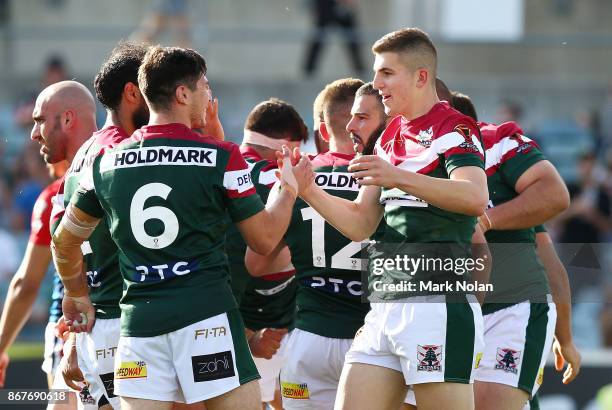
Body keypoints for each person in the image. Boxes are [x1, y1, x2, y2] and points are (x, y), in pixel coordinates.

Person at [52, 45, 308, 409]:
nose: (209, 95)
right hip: (208, 322)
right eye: (204, 86)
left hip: (139, 331)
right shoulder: (221, 155)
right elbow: (265, 240)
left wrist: (77, 293)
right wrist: (287, 188)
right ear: (183, 94)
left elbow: (63, 242)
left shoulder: (105, 162)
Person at [286, 28, 488, 410]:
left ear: (421, 76)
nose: (376, 84)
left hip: (437, 305)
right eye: (376, 73)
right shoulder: (390, 134)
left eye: (386, 73)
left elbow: (475, 197)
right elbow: (362, 223)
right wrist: (309, 190)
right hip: (384, 305)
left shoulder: (455, 127)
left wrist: (397, 177)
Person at [247, 78, 372, 410]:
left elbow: (257, 264)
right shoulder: (385, 177)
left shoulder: (295, 176)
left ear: (322, 131)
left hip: (308, 341)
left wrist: (303, 251)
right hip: (372, 342)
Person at [449, 91, 579, 409]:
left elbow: (551, 266)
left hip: (503, 321)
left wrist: (566, 338)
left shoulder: (508, 190)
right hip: (443, 322)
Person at [50, 41, 150, 410]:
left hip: (97, 325)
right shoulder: (124, 155)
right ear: (133, 93)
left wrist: (76, 324)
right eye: (157, 92)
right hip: (124, 323)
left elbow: (65, 240)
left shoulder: (85, 154)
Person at [226, 98, 308, 410]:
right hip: (268, 332)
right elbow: (259, 263)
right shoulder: (279, 177)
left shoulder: (216, 166)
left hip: (199, 323)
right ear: (284, 148)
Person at [0, 161, 67, 389]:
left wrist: (0, 348)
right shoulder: (119, 178)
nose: (36, 135)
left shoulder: (55, 198)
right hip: (130, 327)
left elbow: (27, 283)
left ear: (68, 122)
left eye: (41, 123)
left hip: (68, 329)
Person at [303, 0, 364, 76]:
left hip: (339, 6)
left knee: (352, 41)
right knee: (318, 39)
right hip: (326, 5)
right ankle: (308, 72)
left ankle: (361, 71)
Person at [346, 82, 388, 155]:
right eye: (352, 117)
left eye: (361, 117)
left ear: (391, 122)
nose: (349, 127)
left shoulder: (411, 163)